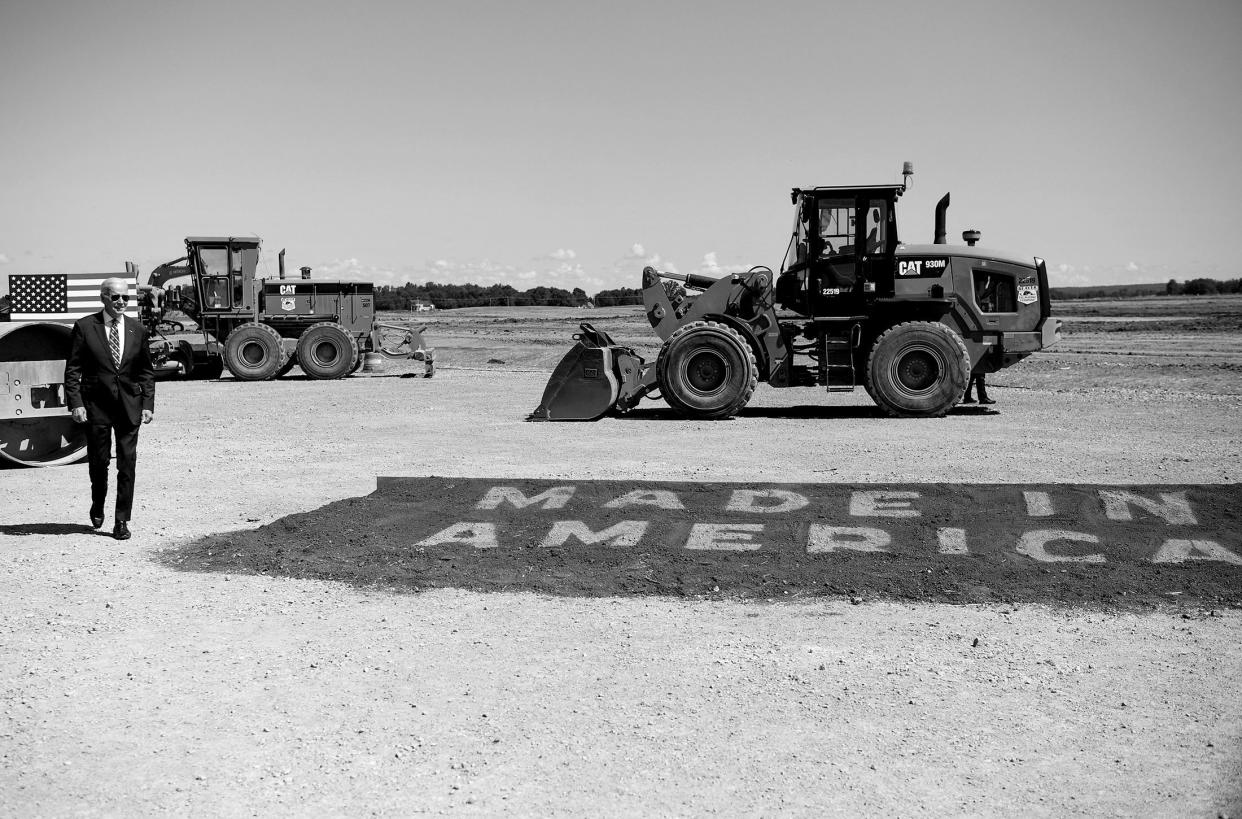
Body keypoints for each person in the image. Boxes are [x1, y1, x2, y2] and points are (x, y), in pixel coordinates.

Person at [64, 277, 156, 540]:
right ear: (103, 297)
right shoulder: (84, 327)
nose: (121, 302)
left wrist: (147, 404)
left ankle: (121, 520)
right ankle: (97, 503)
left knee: (127, 464)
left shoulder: (137, 330)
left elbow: (146, 371)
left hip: (129, 406)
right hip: (96, 407)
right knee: (99, 463)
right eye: (115, 297)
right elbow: (73, 370)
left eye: (125, 298)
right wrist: (76, 403)